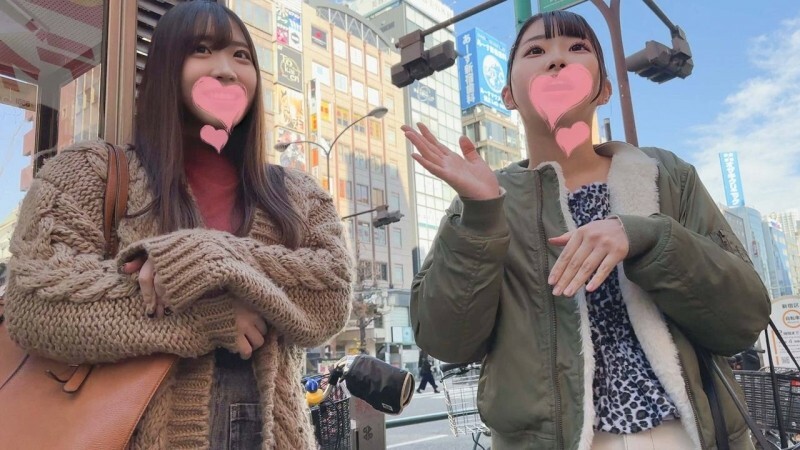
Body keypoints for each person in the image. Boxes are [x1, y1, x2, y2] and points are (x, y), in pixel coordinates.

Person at [404, 10, 770, 450]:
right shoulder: (485, 201)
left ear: (605, 90)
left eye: (577, 48)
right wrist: (481, 216)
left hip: (690, 434)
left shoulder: (669, 177)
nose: (557, 59)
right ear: (508, 95)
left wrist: (650, 238)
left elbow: (744, 319)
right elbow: (446, 340)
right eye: (536, 51)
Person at [4, 2, 351, 449]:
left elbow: (330, 299)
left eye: (241, 55)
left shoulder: (295, 193)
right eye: (202, 50)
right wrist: (204, 318)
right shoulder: (92, 172)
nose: (226, 69)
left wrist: (210, 255)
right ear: (166, 65)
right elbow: (34, 304)